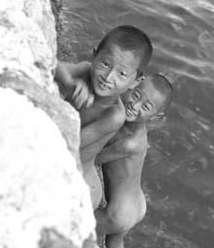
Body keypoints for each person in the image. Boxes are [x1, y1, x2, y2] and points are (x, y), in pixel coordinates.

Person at [55, 26, 153, 210]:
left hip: (81, 184)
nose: (108, 77)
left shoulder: (114, 115)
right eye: (105, 64)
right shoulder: (84, 71)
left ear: (134, 81)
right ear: (95, 55)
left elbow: (72, 145)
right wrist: (69, 82)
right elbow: (48, 64)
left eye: (122, 74)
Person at [95, 74, 173, 248]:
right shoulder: (136, 132)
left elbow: (95, 158)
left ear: (156, 116)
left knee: (81, 232)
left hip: (120, 212)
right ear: (134, 83)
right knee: (114, 243)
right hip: (137, 205)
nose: (134, 105)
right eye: (136, 95)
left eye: (145, 106)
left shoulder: (129, 142)